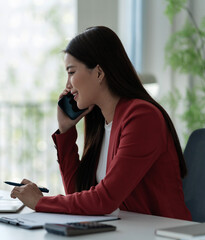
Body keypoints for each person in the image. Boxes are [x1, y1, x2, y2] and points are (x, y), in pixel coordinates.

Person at [10, 26, 192, 220]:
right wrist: (66, 132)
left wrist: (40, 202)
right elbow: (77, 193)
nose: (68, 85)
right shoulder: (102, 123)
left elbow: (104, 200)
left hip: (160, 233)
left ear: (98, 73)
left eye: (71, 72)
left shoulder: (142, 117)